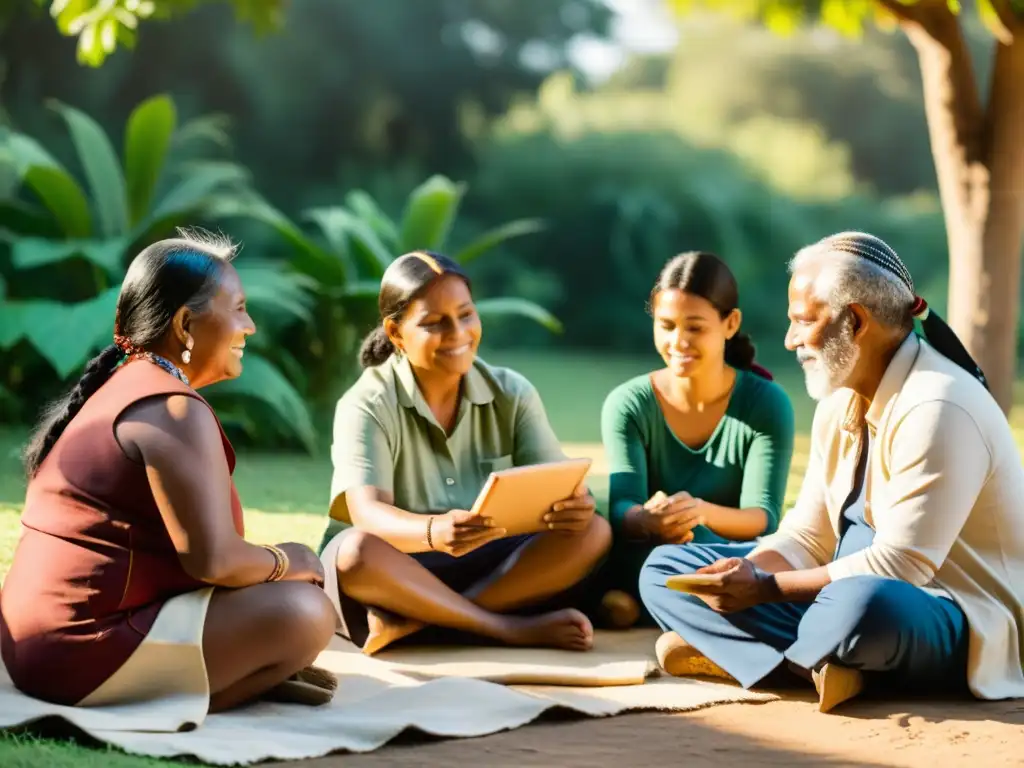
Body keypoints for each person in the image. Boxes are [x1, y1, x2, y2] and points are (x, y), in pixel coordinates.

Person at [639, 231, 1024, 713]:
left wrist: (764, 588)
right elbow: (807, 535)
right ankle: (827, 666)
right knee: (666, 570)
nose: (790, 339)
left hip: (942, 610)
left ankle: (777, 658)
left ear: (856, 320)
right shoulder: (840, 398)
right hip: (836, 590)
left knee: (860, 608)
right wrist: (749, 572)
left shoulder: (940, 404)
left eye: (802, 321)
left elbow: (900, 568)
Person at [0, 232, 337, 715]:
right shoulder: (173, 408)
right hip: (77, 655)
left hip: (31, 648)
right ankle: (233, 683)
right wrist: (290, 559)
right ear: (184, 323)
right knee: (305, 611)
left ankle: (245, 675)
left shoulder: (124, 386)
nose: (251, 326)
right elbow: (214, 562)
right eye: (239, 308)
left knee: (280, 595)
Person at [318, 250, 611, 655]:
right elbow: (367, 514)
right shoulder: (366, 402)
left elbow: (560, 481)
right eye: (435, 323)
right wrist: (433, 531)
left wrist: (577, 504)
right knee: (353, 552)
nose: (457, 333)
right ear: (396, 332)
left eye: (466, 315)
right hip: (399, 568)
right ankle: (505, 629)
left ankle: (418, 624)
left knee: (593, 529)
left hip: (489, 563)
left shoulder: (512, 391)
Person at [598, 251, 795, 628]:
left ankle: (652, 609)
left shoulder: (766, 403)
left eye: (695, 327)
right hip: (648, 549)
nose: (678, 341)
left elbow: (763, 517)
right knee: (617, 548)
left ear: (730, 323)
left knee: (745, 558)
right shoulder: (629, 404)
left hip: (730, 554)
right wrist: (648, 519)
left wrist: (697, 512)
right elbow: (622, 505)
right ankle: (683, 614)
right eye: (666, 325)